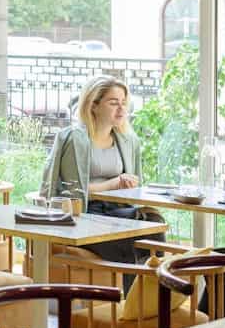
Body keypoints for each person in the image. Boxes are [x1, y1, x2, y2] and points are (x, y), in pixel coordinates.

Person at [41, 75, 159, 263]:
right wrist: (113, 184)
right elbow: (71, 192)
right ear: (93, 105)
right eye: (113, 103)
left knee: (154, 222)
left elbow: (135, 189)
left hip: (116, 210)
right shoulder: (75, 140)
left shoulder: (129, 141)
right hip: (87, 213)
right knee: (130, 243)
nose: (121, 109)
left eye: (123, 103)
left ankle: (152, 289)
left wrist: (130, 184)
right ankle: (131, 288)